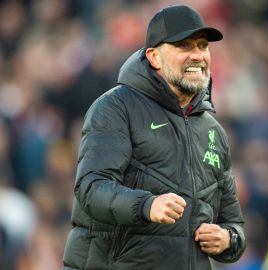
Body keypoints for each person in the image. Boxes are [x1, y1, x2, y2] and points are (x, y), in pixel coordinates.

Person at [62, 5, 245, 270]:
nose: (198, 55)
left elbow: (233, 221)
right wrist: (147, 205)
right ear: (154, 57)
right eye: (184, 46)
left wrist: (228, 239)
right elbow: (91, 188)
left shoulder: (213, 131)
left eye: (203, 46)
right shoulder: (116, 108)